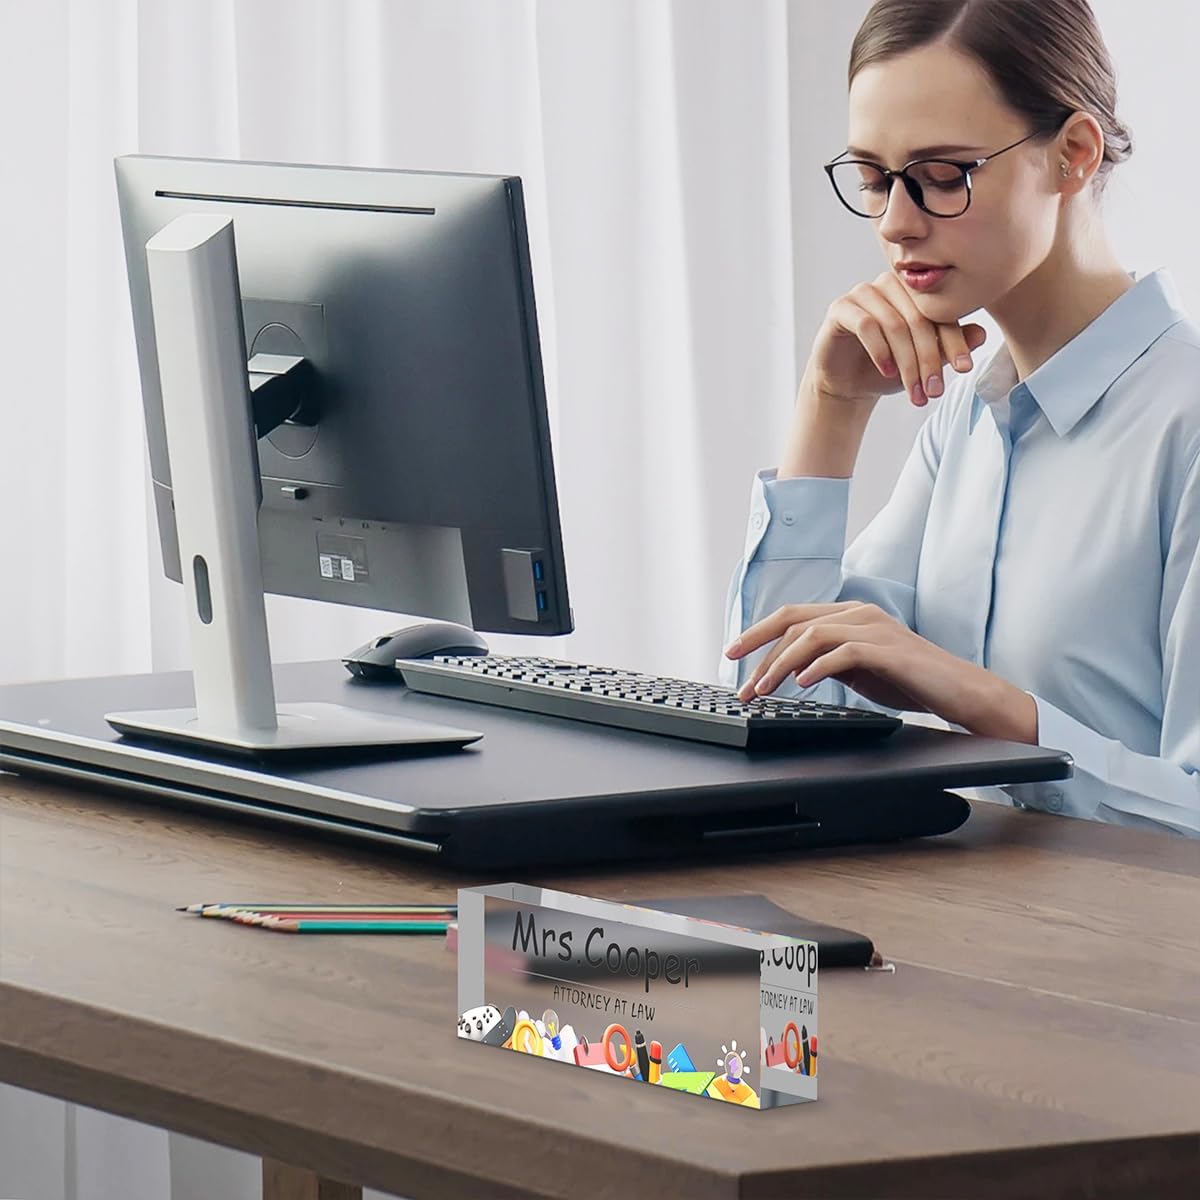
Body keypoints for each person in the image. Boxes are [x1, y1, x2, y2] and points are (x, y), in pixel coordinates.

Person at [720, 0, 1199, 836]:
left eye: (944, 175)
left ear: (1074, 155)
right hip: (944, 934)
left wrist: (986, 706)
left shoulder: (1183, 427)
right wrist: (829, 410)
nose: (896, 224)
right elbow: (774, 705)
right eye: (873, 177)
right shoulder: (970, 420)